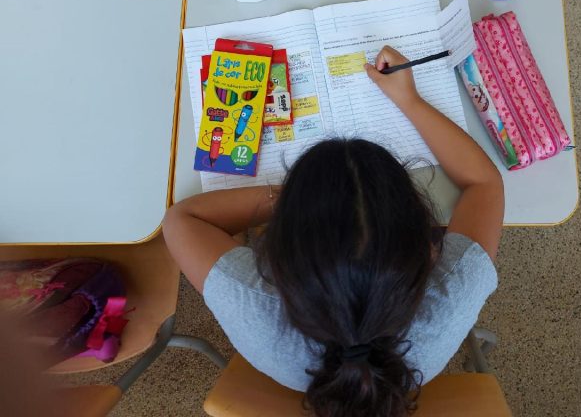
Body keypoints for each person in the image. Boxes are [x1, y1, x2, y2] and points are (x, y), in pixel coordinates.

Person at [163, 46, 504, 417]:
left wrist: (297, 199)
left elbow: (181, 221)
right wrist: (409, 99)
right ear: (428, 248)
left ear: (275, 257)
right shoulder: (451, 297)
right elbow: (484, 183)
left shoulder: (253, 303)